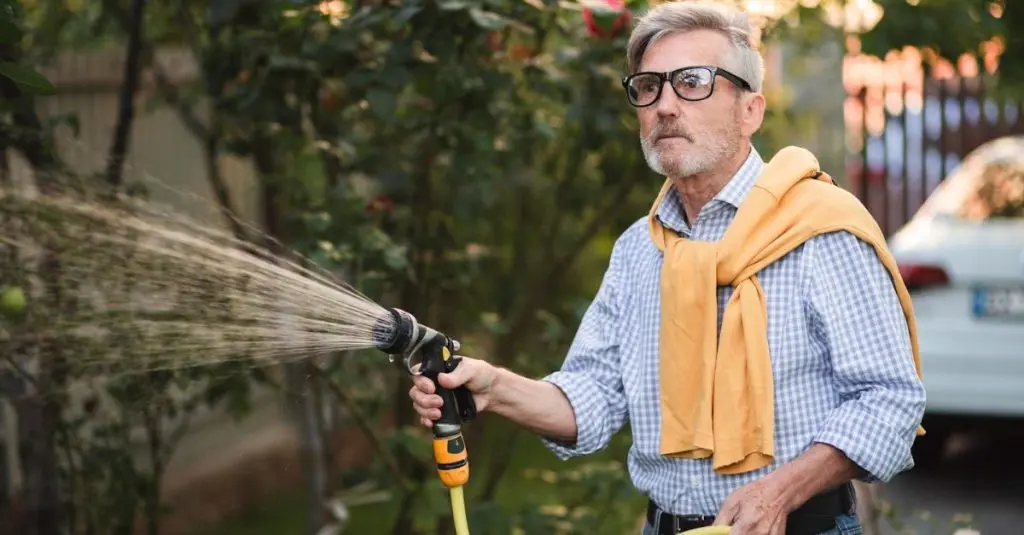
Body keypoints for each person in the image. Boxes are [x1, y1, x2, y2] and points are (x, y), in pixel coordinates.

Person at [408, 2, 927, 534]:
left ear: (751, 109)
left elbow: (889, 401)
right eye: (649, 86)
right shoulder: (639, 249)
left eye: (693, 82)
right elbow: (593, 399)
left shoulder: (822, 231)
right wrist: (495, 387)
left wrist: (779, 492)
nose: (666, 105)